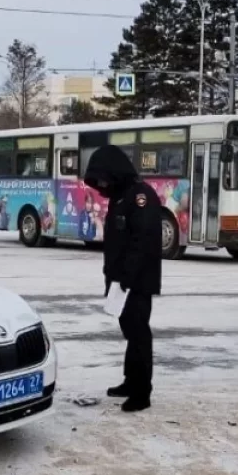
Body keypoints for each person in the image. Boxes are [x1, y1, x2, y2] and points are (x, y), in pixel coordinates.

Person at [83, 145, 162, 413]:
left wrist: (126, 277)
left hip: (136, 282)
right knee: (130, 331)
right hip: (120, 282)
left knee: (139, 334)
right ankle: (131, 381)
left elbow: (142, 241)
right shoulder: (120, 197)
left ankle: (142, 392)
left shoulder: (141, 196)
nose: (102, 186)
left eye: (104, 179)